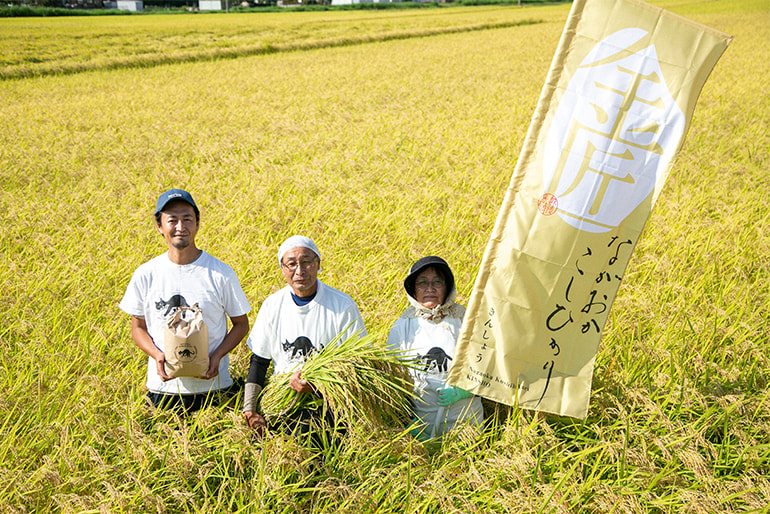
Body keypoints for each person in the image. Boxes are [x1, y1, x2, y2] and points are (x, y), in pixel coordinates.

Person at [119, 189, 251, 413]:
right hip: (164, 389)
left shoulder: (220, 273)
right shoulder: (146, 274)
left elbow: (242, 324)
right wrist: (157, 355)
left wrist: (217, 356)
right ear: (160, 226)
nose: (180, 227)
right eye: (172, 220)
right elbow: (137, 328)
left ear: (197, 223)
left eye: (187, 219)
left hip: (214, 388)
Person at [243, 235, 367, 437]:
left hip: (329, 411)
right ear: (282, 269)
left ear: (318, 264)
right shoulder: (272, 305)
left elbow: (358, 364)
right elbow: (259, 360)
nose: (299, 271)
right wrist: (250, 409)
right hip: (282, 407)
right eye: (291, 264)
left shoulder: (342, 306)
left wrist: (318, 386)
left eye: (307, 262)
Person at [387, 256, 484, 440]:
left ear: (447, 287)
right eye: (422, 283)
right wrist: (407, 423)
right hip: (422, 425)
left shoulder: (466, 320)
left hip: (465, 422)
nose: (430, 289)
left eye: (437, 282)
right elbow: (393, 381)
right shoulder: (402, 327)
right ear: (413, 290)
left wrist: (462, 391)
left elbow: (485, 366)